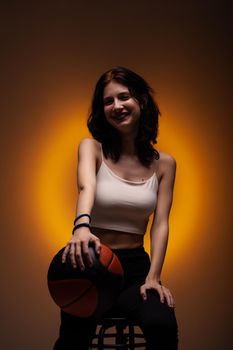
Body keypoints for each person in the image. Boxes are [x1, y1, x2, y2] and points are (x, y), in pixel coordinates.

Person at [53, 66, 179, 349]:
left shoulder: (165, 164)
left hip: (136, 270)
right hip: (91, 264)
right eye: (108, 101)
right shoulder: (91, 148)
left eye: (124, 97)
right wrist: (81, 226)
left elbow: (160, 223)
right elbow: (87, 187)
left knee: (162, 325)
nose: (116, 106)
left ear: (141, 101)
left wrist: (154, 276)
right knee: (72, 342)